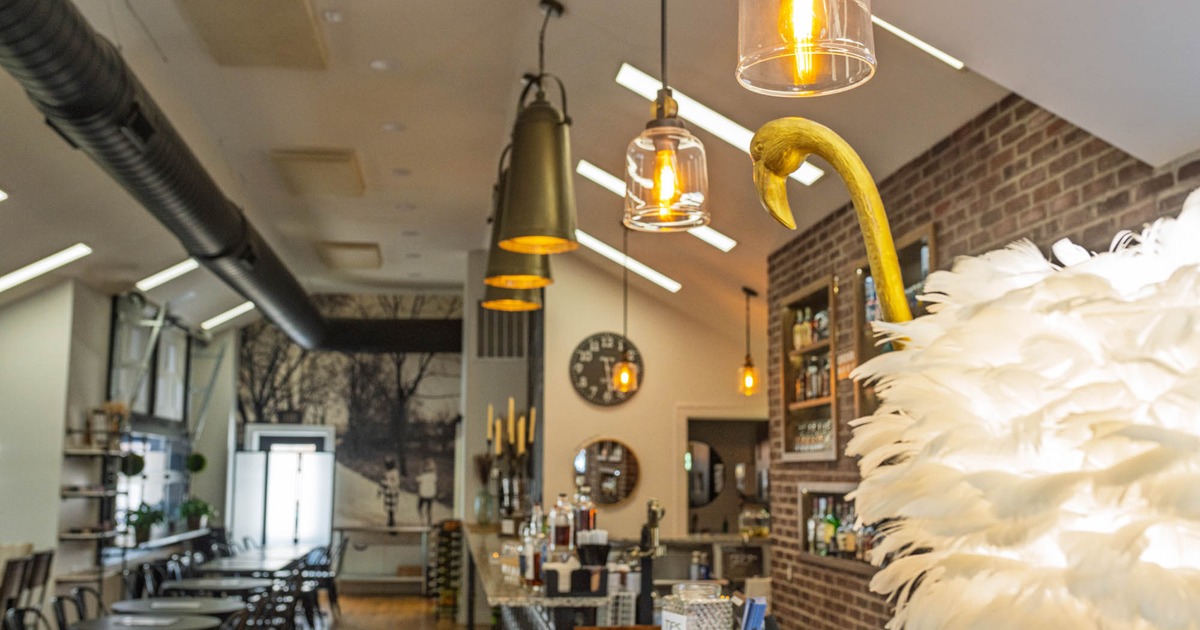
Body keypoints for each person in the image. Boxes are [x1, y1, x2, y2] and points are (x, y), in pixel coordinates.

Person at [380, 455, 401, 527]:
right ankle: (390, 520)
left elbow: (396, 483)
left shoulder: (395, 472)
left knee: (392, 507)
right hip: (388, 492)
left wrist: (387, 483)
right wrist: (381, 488)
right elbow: (383, 480)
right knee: (389, 508)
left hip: (393, 492)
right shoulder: (386, 472)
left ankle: (392, 521)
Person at [416, 458, 437, 525]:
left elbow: (417, 480)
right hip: (431, 495)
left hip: (423, 494)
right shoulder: (434, 476)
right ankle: (429, 521)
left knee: (419, 507)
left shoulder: (422, 476)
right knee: (429, 509)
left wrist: (420, 472)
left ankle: (423, 519)